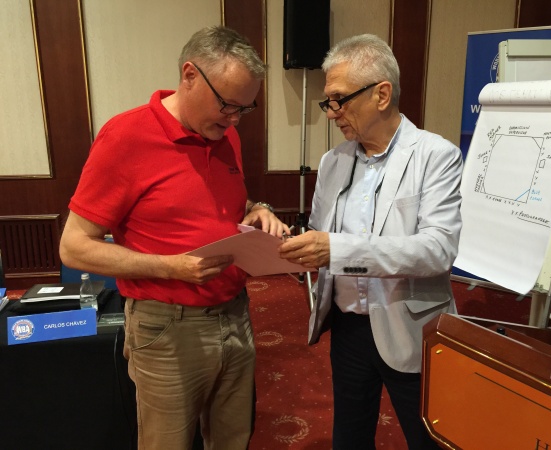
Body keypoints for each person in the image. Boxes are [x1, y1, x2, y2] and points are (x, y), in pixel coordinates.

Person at [59, 26, 290, 450]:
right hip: (167, 325)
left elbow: (215, 206)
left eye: (245, 108)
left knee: (233, 439)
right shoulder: (126, 136)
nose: (235, 119)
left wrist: (257, 208)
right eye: (227, 104)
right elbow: (73, 246)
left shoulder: (225, 134)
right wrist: (171, 267)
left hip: (235, 314)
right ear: (189, 76)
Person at [279, 34, 462, 450]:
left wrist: (337, 250)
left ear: (381, 94)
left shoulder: (436, 156)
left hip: (410, 326)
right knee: (350, 435)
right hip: (347, 326)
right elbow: (322, 233)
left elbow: (438, 250)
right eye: (328, 102)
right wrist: (296, 244)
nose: (332, 113)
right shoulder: (333, 161)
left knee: (429, 439)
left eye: (339, 100)